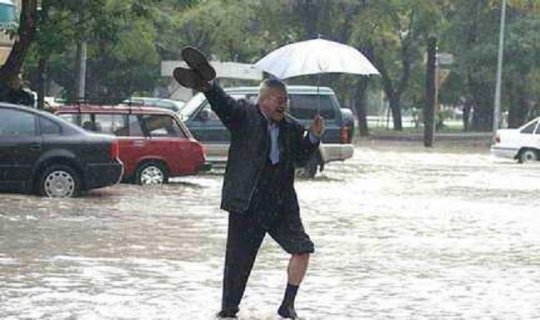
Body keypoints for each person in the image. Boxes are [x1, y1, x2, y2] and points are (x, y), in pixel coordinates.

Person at [173, 47, 324, 319]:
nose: (284, 104)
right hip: (247, 202)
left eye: (286, 100)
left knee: (303, 249)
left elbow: (300, 159)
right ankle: (228, 312)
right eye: (279, 99)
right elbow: (223, 104)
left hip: (281, 203)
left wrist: (313, 136)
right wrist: (209, 87)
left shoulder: (291, 127)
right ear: (263, 100)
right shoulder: (244, 116)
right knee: (237, 264)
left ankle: (287, 305)